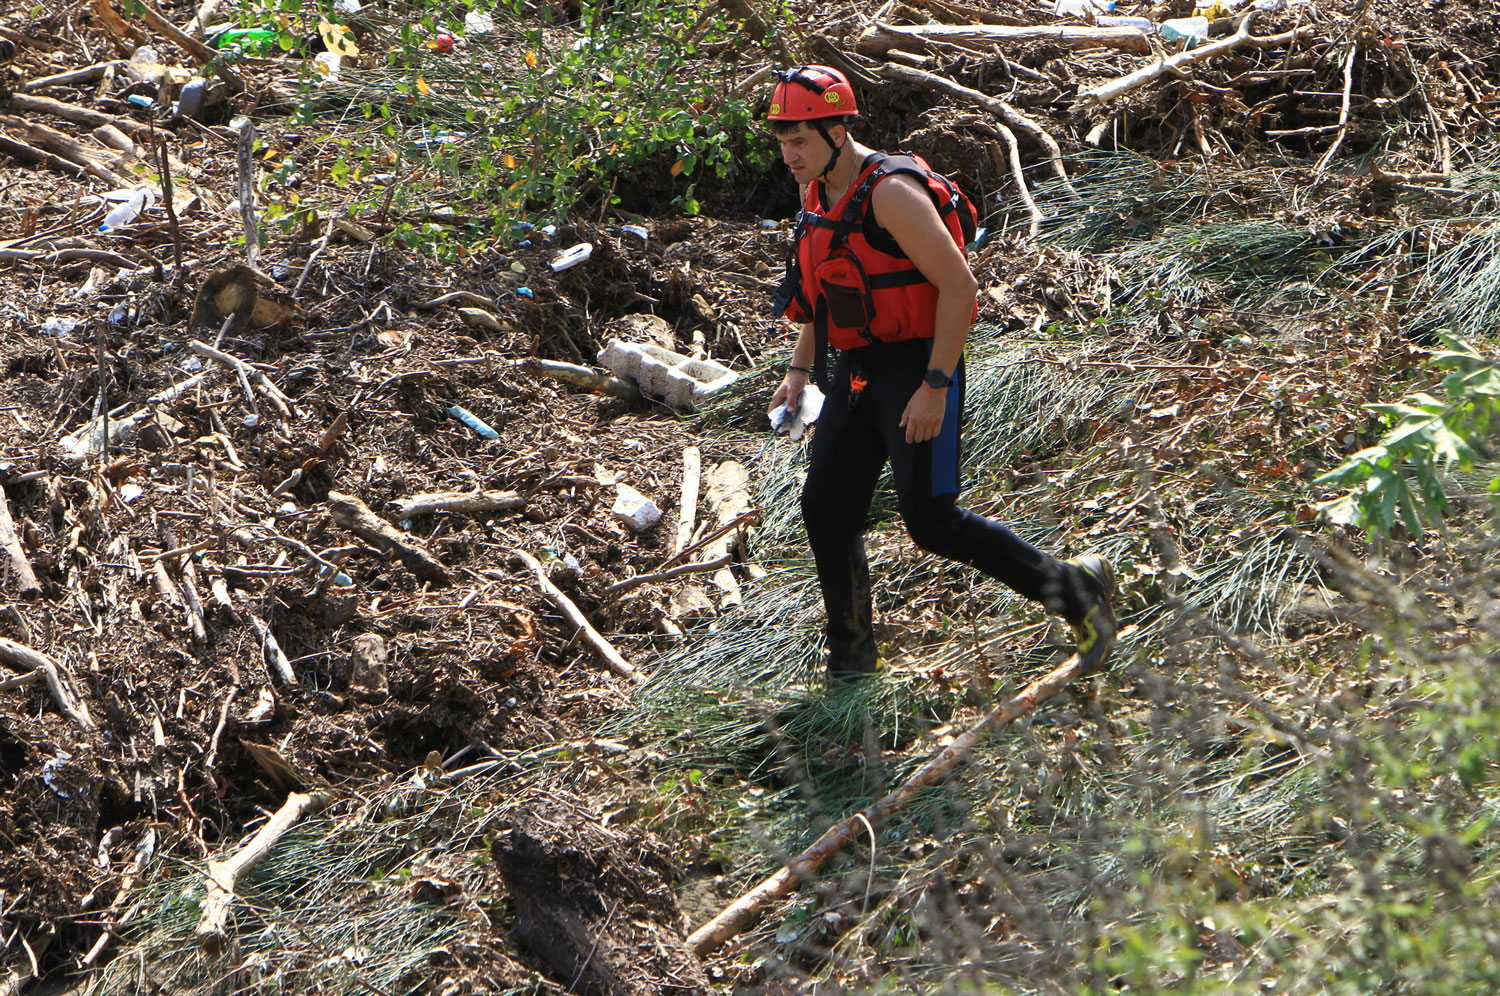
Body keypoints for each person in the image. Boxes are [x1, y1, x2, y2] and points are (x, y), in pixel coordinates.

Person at [763, 65, 1119, 681]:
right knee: (824, 506)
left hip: (918, 365)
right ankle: (851, 655)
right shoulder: (814, 189)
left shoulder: (892, 193)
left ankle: (1077, 593)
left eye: (800, 140)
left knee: (931, 520)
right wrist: (800, 368)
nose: (789, 154)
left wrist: (935, 385)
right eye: (782, 140)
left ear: (839, 129)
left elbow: (959, 287)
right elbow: (825, 289)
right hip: (857, 369)